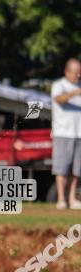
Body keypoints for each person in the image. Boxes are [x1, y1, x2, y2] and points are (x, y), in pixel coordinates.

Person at [51, 58, 81, 210]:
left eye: (80, 73)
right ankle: (61, 199)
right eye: (76, 73)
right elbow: (59, 99)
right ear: (67, 72)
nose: (78, 76)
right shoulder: (58, 85)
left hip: (79, 134)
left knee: (76, 170)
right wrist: (76, 92)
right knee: (61, 169)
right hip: (63, 132)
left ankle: (72, 199)